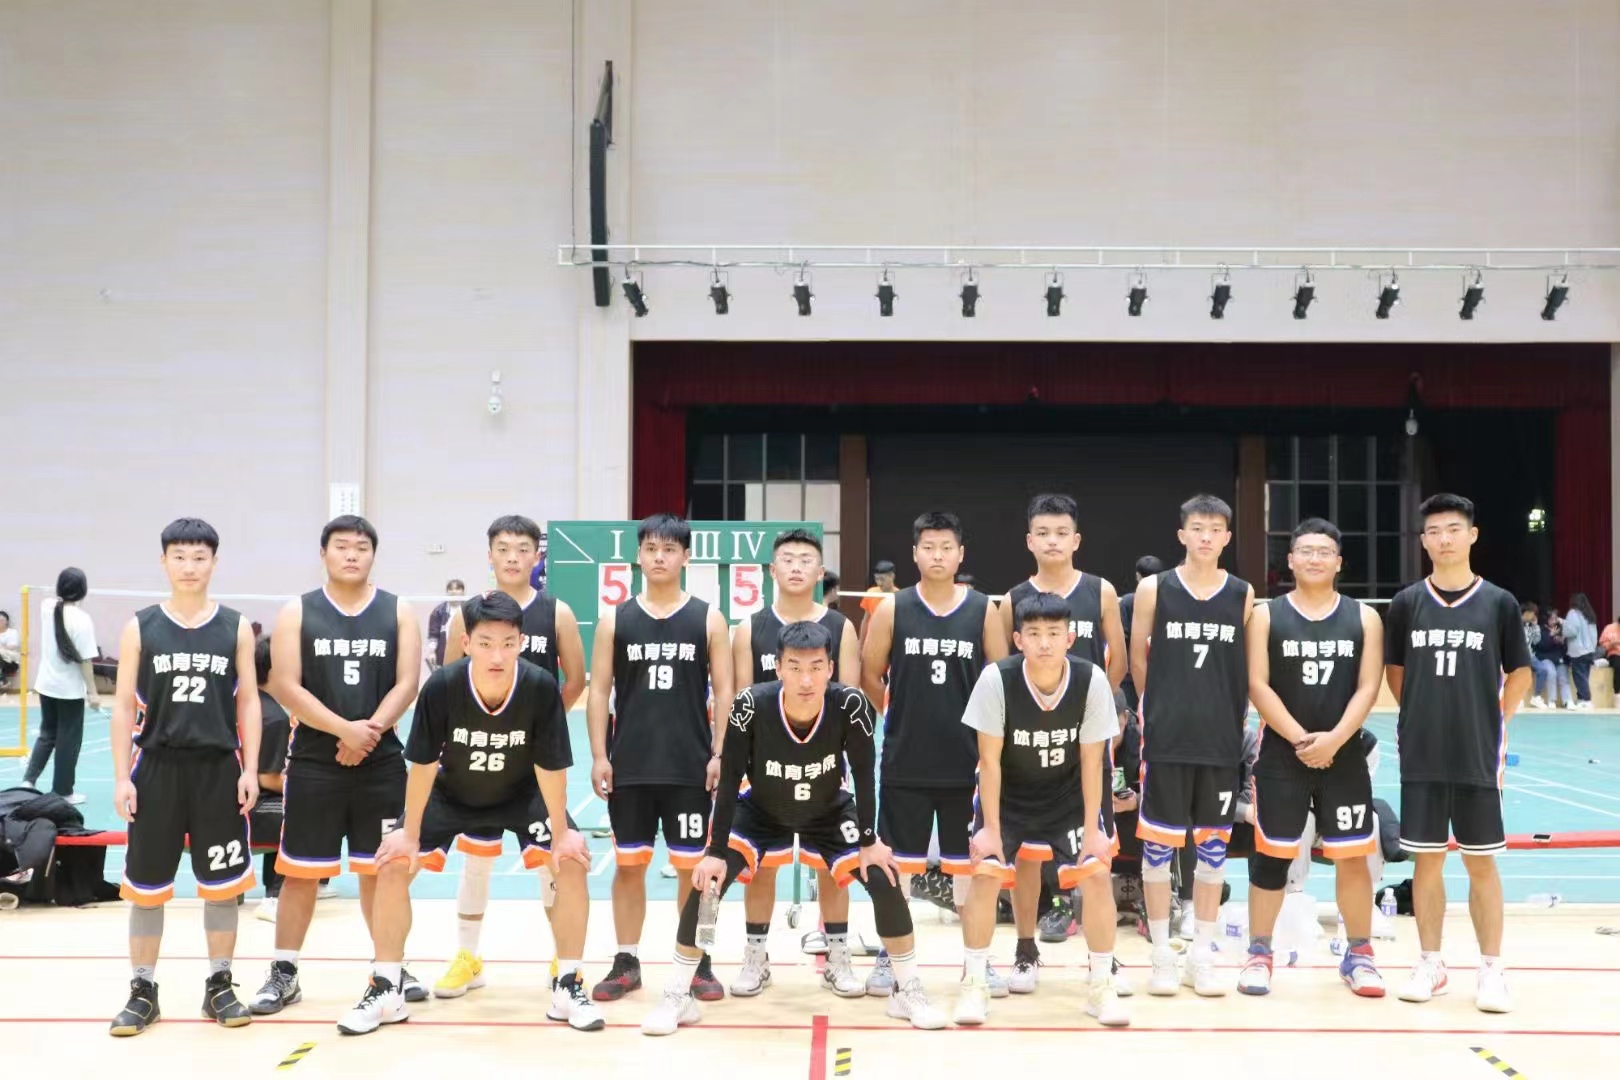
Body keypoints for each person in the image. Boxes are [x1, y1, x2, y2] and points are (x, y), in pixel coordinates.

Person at [640, 620, 945, 1035]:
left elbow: (863, 774)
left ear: (831, 668)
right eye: (795, 667)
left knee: (884, 877)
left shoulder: (850, 705)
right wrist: (714, 853)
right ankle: (678, 995)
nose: (806, 679)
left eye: (816, 667)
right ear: (778, 667)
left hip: (828, 811)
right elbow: (729, 781)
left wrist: (869, 841)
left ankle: (906, 991)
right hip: (761, 810)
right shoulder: (749, 706)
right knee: (706, 885)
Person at [374, 590, 601, 1033]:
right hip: (453, 792)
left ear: (521, 642)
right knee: (393, 863)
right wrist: (409, 832)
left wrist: (561, 832)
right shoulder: (442, 687)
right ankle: (384, 989)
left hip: (522, 792)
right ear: (466, 643)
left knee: (572, 860)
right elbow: (423, 765)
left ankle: (568, 984)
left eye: (508, 643)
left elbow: (550, 766)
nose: (497, 655)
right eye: (485, 643)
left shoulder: (539, 687)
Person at [250, 515, 424, 1033]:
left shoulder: (398, 610)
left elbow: (408, 683)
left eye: (361, 547)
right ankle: (284, 971)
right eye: (342, 546)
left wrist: (366, 732)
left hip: (381, 762)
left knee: (383, 873)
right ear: (324, 553)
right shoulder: (297, 611)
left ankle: (389, 969)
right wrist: (343, 731)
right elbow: (285, 684)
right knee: (300, 873)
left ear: (374, 554)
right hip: (314, 762)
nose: (352, 554)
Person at [107, 518, 261, 1036]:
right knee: (146, 888)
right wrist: (121, 777)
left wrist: (251, 768)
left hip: (218, 769)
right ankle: (142, 991)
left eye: (199, 557)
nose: (189, 566)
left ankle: (219, 986)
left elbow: (249, 701)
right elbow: (123, 705)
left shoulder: (235, 626)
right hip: (157, 768)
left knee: (221, 886)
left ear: (214, 562)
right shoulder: (140, 626)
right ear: (163, 561)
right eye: (179, 556)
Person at [1384, 493, 1532, 1013]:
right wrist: (1422, 713)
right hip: (1422, 753)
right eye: (1433, 531)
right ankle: (1431, 962)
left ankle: (1491, 968)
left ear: (1472, 535)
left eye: (1453, 529)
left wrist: (1495, 722)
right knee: (1426, 863)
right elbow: (1396, 674)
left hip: (1476, 754)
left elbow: (1521, 673)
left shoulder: (1499, 602)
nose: (1443, 539)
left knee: (1480, 864)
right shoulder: (1407, 603)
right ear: (1423, 541)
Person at [956, 591, 1127, 1026]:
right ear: (1018, 640)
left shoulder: (1091, 680)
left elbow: (1093, 761)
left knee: (1096, 874)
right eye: (1034, 634)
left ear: (1070, 637)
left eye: (1054, 633)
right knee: (985, 873)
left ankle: (1101, 986)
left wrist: (1093, 830)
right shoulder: (996, 679)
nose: (1045, 643)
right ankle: (974, 984)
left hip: (1068, 798)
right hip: (1009, 797)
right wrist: (989, 829)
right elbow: (989, 761)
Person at [433, 515, 587, 999]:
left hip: (534, 766)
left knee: (550, 859)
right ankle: (468, 957)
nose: (513, 557)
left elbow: (575, 679)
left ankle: (564, 960)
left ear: (537, 556)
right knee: (476, 861)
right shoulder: (468, 615)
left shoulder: (557, 612)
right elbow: (448, 683)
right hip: (479, 760)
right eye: (503, 548)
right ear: (490, 555)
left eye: (523, 548)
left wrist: (538, 730)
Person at [587, 514, 734, 1003]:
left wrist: (720, 753)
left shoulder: (709, 619)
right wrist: (599, 755)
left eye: (669, 549)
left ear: (686, 557)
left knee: (700, 872)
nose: (659, 557)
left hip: (690, 767)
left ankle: (700, 961)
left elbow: (726, 692)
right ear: (638, 555)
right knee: (629, 867)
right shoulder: (615, 620)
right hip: (630, 765)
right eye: (651, 548)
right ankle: (626, 961)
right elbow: (598, 691)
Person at [861, 511, 1008, 995]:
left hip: (967, 763)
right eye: (928, 547)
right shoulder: (892, 609)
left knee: (970, 873)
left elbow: (1000, 679)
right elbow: (870, 673)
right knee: (897, 870)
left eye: (946, 547)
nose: (937, 555)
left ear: (961, 554)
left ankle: (977, 963)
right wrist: (897, 715)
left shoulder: (983, 610)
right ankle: (891, 957)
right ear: (914, 553)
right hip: (905, 760)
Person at [1240, 518, 1386, 998]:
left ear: (1338, 562)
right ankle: (1259, 954)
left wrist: (1336, 740)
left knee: (1352, 857)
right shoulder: (1266, 616)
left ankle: (1360, 955)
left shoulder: (1364, 618)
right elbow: (1257, 684)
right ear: (1290, 560)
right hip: (1283, 755)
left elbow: (1369, 687)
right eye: (1305, 550)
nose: (1315, 558)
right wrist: (1304, 740)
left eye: (1324, 551)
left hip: (1344, 756)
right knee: (1271, 857)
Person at [728, 529, 862, 996]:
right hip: (765, 768)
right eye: (788, 559)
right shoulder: (750, 628)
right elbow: (741, 703)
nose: (797, 567)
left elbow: (851, 702)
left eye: (807, 559)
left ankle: (838, 957)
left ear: (820, 572)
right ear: (772, 570)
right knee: (761, 862)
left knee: (832, 863)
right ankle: (756, 958)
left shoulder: (842, 628)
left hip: (824, 764)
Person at [1129, 493, 1254, 997]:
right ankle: (1162, 954)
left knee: (1213, 853)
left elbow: (1245, 668)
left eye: (1215, 529)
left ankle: (1201, 954)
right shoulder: (1154, 589)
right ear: (1182, 534)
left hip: (1220, 743)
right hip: (1167, 741)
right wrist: (1158, 712)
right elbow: (1139, 660)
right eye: (1197, 528)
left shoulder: (1242, 594)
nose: (1206, 536)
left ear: (1227, 537)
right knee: (1158, 850)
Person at [998, 494, 1127, 983]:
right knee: (1027, 858)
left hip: (1084, 748)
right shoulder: (1012, 600)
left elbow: (1118, 662)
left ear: (1076, 540)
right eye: (1043, 533)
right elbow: (1002, 671)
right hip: (1027, 749)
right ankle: (1025, 949)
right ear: (1029, 541)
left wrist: (1095, 717)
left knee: (1095, 855)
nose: (1052, 541)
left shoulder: (1101, 592)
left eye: (1061, 533)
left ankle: (1103, 959)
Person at [24, 567, 101, 803]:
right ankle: (63, 792)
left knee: (47, 734)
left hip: (46, 685)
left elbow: (53, 597)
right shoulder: (82, 620)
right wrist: (93, 693)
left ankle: (28, 781)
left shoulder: (47, 607)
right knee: (68, 741)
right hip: (68, 692)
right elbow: (85, 661)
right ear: (83, 591)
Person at [251, 635, 291, 923]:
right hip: (246, 810)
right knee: (302, 810)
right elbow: (266, 778)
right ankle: (276, 897)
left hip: (214, 803)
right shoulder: (274, 717)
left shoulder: (243, 702)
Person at [1118, 556, 1165, 713]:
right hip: (1159, 674)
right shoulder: (1169, 601)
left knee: (1131, 719)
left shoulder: (1127, 601)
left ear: (1137, 576)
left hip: (1131, 676)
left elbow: (1122, 638)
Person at [1563, 593, 1599, 710]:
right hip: (1590, 650)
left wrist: (1563, 625)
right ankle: (1581, 699)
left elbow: (1571, 631)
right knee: (1584, 676)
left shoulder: (1573, 613)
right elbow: (1594, 635)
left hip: (1578, 651)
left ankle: (1586, 699)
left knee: (1579, 676)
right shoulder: (1589, 615)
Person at [425, 579, 466, 671]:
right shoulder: (438, 611)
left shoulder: (468, 610)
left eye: (457, 589)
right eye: (451, 589)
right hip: (442, 655)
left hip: (464, 655)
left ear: (463, 592)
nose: (454, 591)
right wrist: (432, 652)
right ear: (447, 592)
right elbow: (433, 635)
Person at [859, 560, 898, 641]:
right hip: (872, 638)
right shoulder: (871, 593)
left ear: (892, 576)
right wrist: (860, 643)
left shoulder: (899, 596)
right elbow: (865, 620)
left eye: (882, 579)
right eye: (876, 579)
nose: (879, 583)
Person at [0, 610, 19, 687]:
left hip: (10, 662)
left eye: (2, 620)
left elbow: (13, 646)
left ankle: (2, 679)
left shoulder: (12, 632)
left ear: (7, 622)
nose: (0, 622)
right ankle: (2, 680)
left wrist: (2, 647)